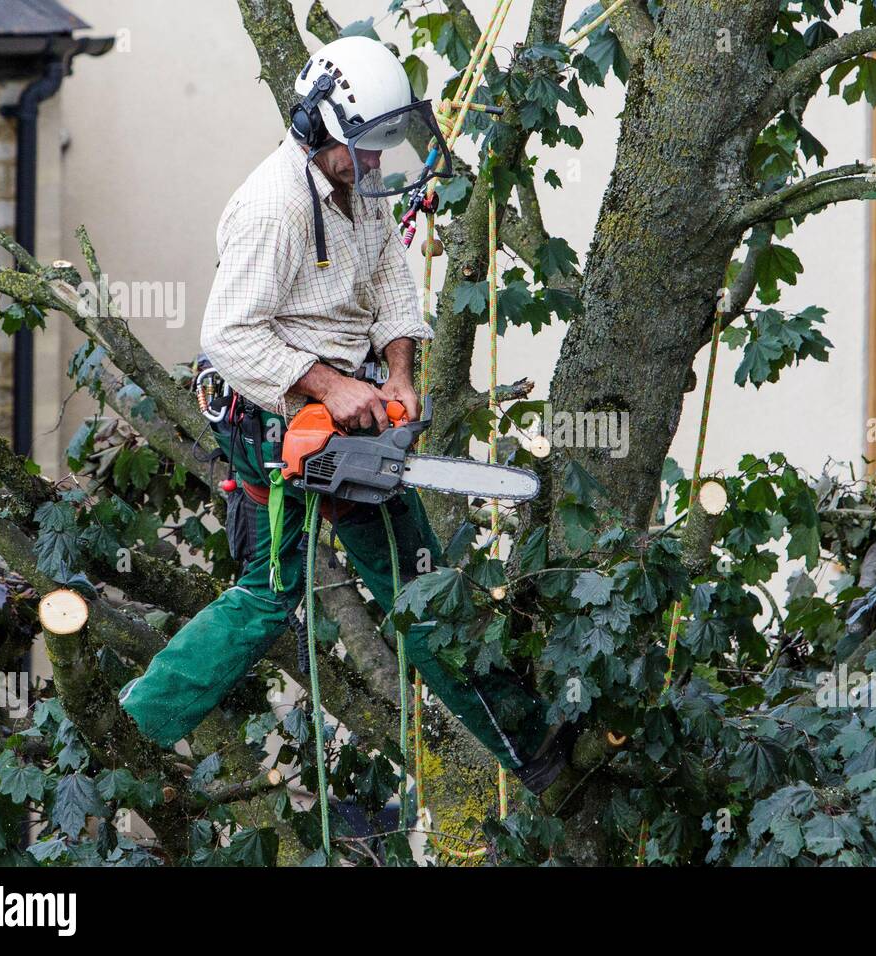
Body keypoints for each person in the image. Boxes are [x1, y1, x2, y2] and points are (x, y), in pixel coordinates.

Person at [120, 36, 568, 793]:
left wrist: (397, 371)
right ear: (318, 127)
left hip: (350, 410)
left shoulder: (357, 189)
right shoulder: (273, 208)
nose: (375, 164)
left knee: (417, 579)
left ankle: (533, 747)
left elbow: (391, 277)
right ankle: (130, 727)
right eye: (363, 150)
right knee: (271, 593)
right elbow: (228, 336)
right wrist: (328, 387)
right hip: (272, 415)